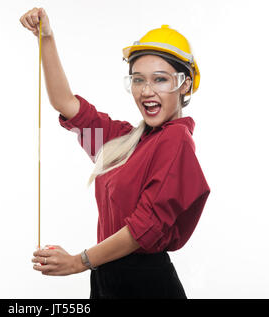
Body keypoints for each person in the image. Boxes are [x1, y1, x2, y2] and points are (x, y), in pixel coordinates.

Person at [20, 7, 211, 299]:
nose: (147, 91)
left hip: (144, 285)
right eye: (137, 79)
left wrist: (77, 261)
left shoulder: (175, 140)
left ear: (184, 84)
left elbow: (143, 228)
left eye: (160, 79)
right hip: (107, 279)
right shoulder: (125, 141)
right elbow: (66, 105)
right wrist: (46, 38)